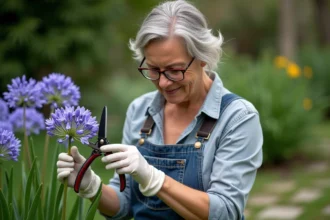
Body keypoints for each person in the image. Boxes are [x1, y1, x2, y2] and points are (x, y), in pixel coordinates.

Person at [56, 0, 263, 219]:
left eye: (174, 70)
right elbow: (124, 204)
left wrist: (154, 179)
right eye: (154, 69)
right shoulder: (140, 110)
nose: (163, 83)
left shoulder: (237, 118)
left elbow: (226, 212)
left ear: (202, 57)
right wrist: (91, 187)